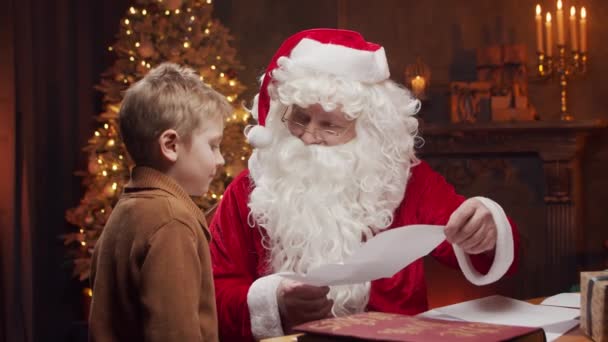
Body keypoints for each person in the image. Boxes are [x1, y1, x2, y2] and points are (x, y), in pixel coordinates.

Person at [209, 29, 520, 341]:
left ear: (367, 129)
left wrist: (487, 228)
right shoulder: (252, 186)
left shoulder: (405, 180)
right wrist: (274, 300)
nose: (308, 136)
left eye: (330, 125)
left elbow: (482, 248)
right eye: (299, 118)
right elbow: (212, 295)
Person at [89, 62, 231, 342]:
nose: (221, 159)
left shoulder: (131, 208)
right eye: (213, 145)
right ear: (171, 145)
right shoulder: (171, 222)